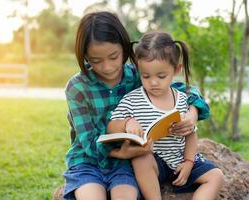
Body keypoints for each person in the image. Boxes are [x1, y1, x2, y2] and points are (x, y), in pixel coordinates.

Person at [63, 11, 210, 200]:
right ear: (84, 56)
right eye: (96, 60)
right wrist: (119, 153)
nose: (107, 67)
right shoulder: (77, 87)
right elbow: (89, 142)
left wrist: (193, 112)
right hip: (87, 163)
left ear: (124, 48)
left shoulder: (139, 75)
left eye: (114, 56)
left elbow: (182, 89)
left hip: (125, 165)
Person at [108, 31, 224, 200]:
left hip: (179, 160)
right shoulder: (132, 100)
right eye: (145, 76)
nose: (153, 82)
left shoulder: (183, 99)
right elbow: (111, 126)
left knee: (216, 176)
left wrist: (188, 162)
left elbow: (191, 134)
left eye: (161, 76)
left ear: (176, 69)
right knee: (141, 158)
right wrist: (128, 122)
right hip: (154, 162)